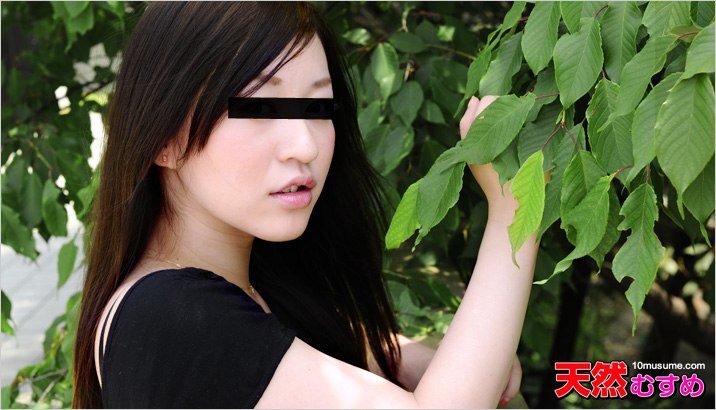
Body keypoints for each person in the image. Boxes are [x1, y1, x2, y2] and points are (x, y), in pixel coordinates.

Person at [72, 2, 539, 408]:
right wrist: (515, 210)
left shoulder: (245, 291)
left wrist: (441, 356)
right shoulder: (174, 317)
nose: (305, 146)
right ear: (164, 138)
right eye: (260, 108)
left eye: (317, 108)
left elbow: (293, 348)